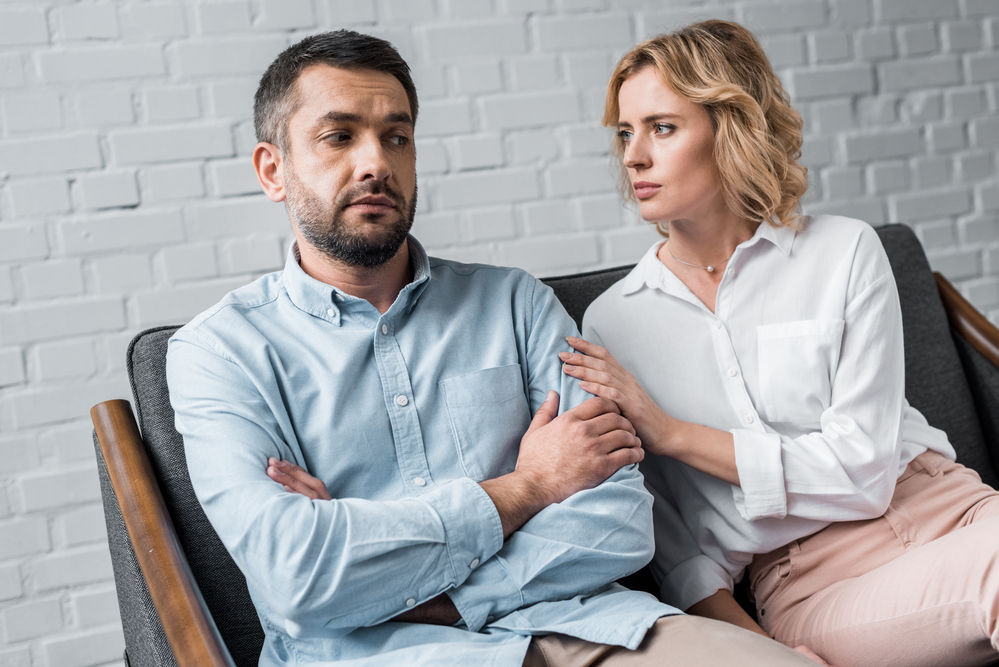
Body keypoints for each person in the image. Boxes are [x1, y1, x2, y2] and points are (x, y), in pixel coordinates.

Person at [165, 29, 814, 667]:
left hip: (594, 627)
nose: (375, 162)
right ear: (272, 170)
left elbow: (620, 522)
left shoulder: (515, 303)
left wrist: (395, 576)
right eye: (339, 136)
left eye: (396, 136)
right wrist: (529, 486)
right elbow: (296, 578)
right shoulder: (220, 353)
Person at [560, 18, 999, 667]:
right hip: (814, 579)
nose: (632, 155)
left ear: (730, 127)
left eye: (661, 127)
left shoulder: (845, 251)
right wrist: (758, 649)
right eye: (625, 132)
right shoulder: (609, 326)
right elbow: (676, 544)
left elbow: (864, 472)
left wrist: (673, 431)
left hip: (950, 505)